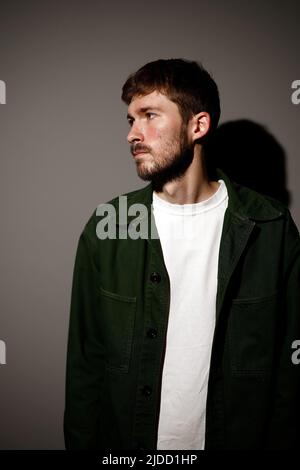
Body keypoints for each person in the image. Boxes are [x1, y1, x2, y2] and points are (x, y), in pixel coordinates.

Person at [64, 59, 300, 450]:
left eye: (149, 116)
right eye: (130, 120)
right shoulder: (110, 226)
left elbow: (289, 379)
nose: (132, 134)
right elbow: (85, 370)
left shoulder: (269, 228)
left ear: (198, 126)